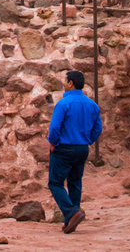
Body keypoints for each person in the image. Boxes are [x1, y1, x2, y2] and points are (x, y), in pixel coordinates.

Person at [47, 70, 102, 234]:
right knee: (75, 182)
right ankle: (71, 220)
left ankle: (72, 213)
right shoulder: (92, 105)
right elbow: (98, 128)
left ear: (71, 83)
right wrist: (88, 140)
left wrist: (53, 142)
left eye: (65, 81)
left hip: (64, 147)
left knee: (55, 183)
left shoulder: (63, 104)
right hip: (82, 148)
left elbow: (55, 127)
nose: (64, 84)